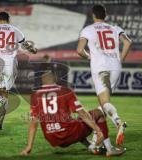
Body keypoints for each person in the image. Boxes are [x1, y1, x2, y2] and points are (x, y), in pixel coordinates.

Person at [20, 65, 125, 157]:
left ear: (41, 78)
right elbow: (82, 113)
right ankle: (109, 149)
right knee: (98, 113)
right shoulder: (65, 91)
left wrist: (29, 147)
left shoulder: (35, 95)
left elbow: (34, 123)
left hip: (52, 138)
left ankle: (91, 146)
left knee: (75, 123)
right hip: (68, 134)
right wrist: (98, 131)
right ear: (54, 76)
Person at [77, 4, 132, 146]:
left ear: (93, 15)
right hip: (115, 67)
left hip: (101, 68)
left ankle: (118, 122)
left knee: (105, 102)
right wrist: (120, 60)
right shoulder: (115, 28)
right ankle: (97, 140)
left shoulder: (88, 30)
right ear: (105, 15)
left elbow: (79, 50)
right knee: (102, 104)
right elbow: (127, 42)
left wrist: (89, 57)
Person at [0, 11, 37, 129]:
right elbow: (26, 44)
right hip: (11, 64)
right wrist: (33, 49)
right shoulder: (16, 30)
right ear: (9, 19)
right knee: (5, 92)